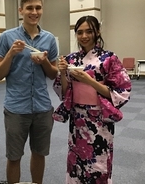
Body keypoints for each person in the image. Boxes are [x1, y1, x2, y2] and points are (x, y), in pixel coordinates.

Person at [53, 15, 131, 183]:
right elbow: (64, 92)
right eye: (80, 32)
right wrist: (62, 73)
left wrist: (89, 80)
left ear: (97, 32)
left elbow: (122, 90)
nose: (84, 36)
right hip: (77, 117)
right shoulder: (71, 59)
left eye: (89, 31)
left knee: (98, 162)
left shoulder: (110, 58)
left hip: (99, 119)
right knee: (76, 161)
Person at [0, 0, 58, 184]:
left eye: (38, 8)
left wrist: (45, 62)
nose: (34, 12)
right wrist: (11, 54)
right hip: (16, 107)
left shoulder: (49, 39)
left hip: (42, 106)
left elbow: (53, 74)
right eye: (29, 8)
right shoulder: (7, 37)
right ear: (21, 10)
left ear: (42, 10)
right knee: (14, 156)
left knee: (39, 153)